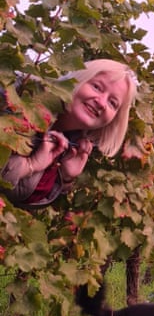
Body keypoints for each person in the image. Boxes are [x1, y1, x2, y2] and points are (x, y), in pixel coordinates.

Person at [1, 59, 138, 209]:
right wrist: (30, 165)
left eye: (113, 103)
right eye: (97, 87)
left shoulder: (70, 144)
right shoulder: (18, 93)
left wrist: (63, 177)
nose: (102, 103)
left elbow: (15, 200)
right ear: (78, 79)